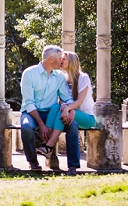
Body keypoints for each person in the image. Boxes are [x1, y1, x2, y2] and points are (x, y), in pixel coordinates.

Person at [19, 44, 80, 174]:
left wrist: (70, 109)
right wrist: (42, 125)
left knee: (72, 124)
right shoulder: (29, 74)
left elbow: (66, 97)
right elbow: (29, 103)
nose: (62, 61)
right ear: (51, 59)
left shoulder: (59, 76)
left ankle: (73, 166)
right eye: (60, 59)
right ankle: (33, 162)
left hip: (51, 113)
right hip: (30, 112)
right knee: (26, 127)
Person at [37, 51, 98, 158]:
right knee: (56, 106)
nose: (60, 61)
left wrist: (67, 108)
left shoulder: (83, 77)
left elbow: (80, 101)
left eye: (63, 59)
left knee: (68, 111)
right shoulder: (63, 78)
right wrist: (64, 107)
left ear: (71, 62)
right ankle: (45, 142)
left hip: (87, 118)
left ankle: (49, 146)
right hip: (70, 113)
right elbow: (61, 99)